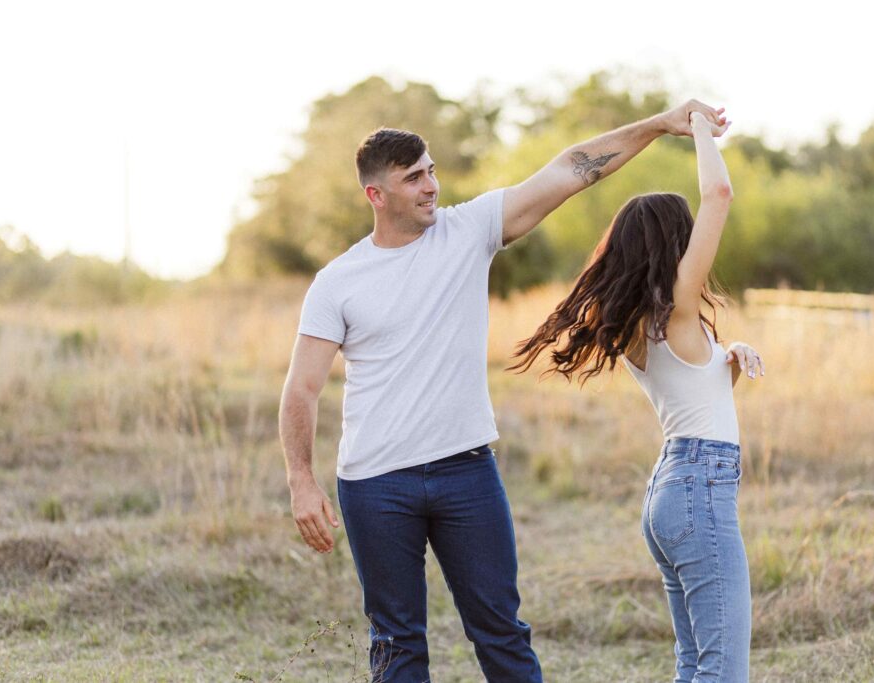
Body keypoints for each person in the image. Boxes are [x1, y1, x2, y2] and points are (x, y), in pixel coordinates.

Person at [279, 100, 728, 682]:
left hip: (466, 472)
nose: (431, 186)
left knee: (503, 635)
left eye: (432, 170)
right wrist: (300, 479)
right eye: (413, 177)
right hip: (374, 483)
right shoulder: (337, 282)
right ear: (376, 195)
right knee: (396, 644)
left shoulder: (468, 231)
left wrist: (659, 124)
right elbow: (303, 386)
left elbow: (571, 169)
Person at [508, 110, 762, 682]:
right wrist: (697, 124)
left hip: (673, 489)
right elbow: (719, 191)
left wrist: (731, 358)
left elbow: (697, 398)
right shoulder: (678, 302)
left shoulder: (637, 323)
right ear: (677, 241)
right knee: (723, 670)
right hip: (698, 487)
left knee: (694, 663)